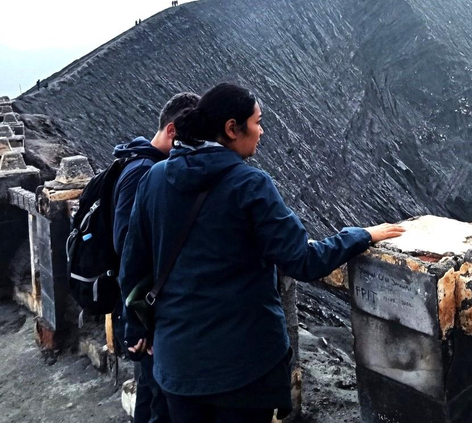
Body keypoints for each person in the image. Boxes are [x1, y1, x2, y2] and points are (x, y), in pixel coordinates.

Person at [120, 83, 404, 423]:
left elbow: (132, 265)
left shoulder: (153, 178)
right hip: (242, 369)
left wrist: (136, 328)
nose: (262, 131)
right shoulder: (249, 184)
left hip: (177, 365)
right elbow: (303, 260)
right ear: (231, 128)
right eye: (257, 121)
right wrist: (360, 235)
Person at [113, 92, 200, 423]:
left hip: (147, 313)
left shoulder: (140, 163)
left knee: (154, 401)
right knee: (155, 406)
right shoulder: (145, 171)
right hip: (147, 317)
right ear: (174, 131)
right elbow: (129, 245)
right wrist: (142, 323)